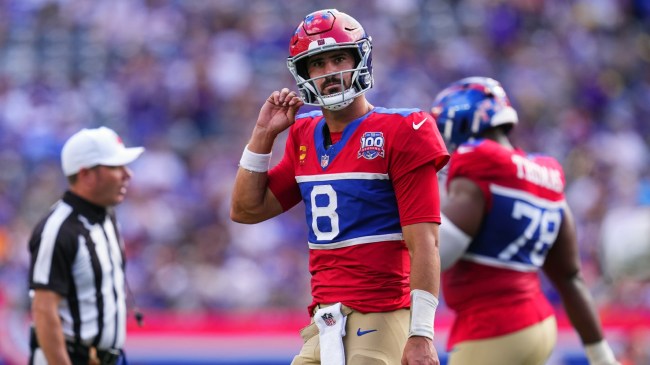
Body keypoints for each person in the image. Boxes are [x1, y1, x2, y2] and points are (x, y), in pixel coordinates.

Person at [230, 8, 449, 365]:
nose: (329, 72)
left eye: (338, 58)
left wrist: (422, 332)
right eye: (317, 64)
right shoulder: (304, 133)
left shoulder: (402, 130)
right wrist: (263, 136)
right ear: (303, 73)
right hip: (324, 324)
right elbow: (245, 210)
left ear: (360, 59)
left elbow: (425, 241)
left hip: (381, 317)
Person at [431, 76, 620, 365]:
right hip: (539, 325)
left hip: (493, 328)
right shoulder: (545, 174)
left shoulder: (479, 163)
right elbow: (570, 277)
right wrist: (601, 354)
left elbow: (435, 255)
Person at [27, 126, 144, 365]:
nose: (127, 174)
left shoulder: (106, 217)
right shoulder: (60, 230)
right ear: (86, 175)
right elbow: (44, 311)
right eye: (115, 167)